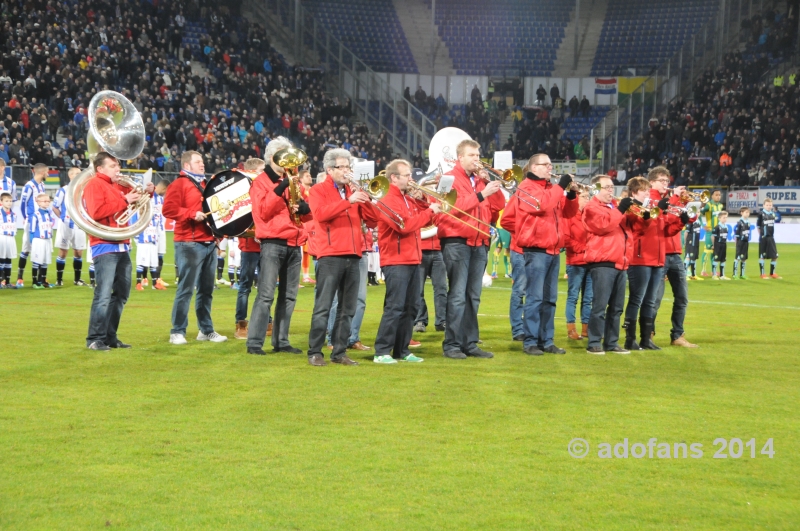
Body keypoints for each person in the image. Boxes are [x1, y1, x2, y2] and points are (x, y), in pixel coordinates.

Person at [306, 148, 379, 366]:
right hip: (330, 255)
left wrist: (366, 198)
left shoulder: (353, 191)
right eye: (342, 167)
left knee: (348, 308)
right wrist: (349, 201)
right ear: (330, 170)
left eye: (349, 167)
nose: (347, 171)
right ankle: (315, 351)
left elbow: (374, 221)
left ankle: (339, 352)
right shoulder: (318, 190)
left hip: (354, 254)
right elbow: (320, 214)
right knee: (324, 306)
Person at [437, 139, 505, 359]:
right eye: (473, 155)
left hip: (480, 243)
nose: (478, 159)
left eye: (478, 155)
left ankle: (470, 343)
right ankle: (452, 345)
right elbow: (445, 209)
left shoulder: (480, 180)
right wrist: (480, 195)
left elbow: (498, 207)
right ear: (460, 158)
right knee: (457, 295)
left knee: (473, 297)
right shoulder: (447, 179)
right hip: (457, 242)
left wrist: (489, 187)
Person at [245, 137, 312, 356]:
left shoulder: (294, 181)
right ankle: (254, 342)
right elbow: (263, 211)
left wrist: (304, 209)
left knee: (289, 296)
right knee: (265, 295)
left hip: (294, 243)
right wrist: (281, 186)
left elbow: (308, 215)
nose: (291, 162)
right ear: (274, 157)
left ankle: (281, 340)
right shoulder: (260, 182)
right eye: (285, 155)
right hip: (273, 242)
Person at [372, 159, 441, 364]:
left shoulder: (407, 199)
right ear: (394, 178)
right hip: (395, 259)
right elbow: (404, 226)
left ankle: (401, 350)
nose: (412, 179)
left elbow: (429, 220)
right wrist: (429, 210)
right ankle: (381, 350)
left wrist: (425, 203)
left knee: (412, 306)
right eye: (407, 175)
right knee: (395, 306)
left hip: (413, 257)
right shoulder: (387, 200)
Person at [84, 152, 153, 350]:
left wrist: (149, 190)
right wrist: (125, 200)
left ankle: (109, 337)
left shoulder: (117, 185)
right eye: (113, 166)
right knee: (104, 294)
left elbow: (139, 198)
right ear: (100, 169)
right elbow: (96, 212)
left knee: (121, 294)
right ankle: (95, 339)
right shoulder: (94, 184)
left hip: (122, 243)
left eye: (117, 165)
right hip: (104, 245)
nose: (118, 169)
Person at [515, 154, 578, 355]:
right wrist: (560, 187)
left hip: (553, 250)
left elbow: (568, 214)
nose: (550, 168)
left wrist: (572, 196)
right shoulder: (526, 187)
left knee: (550, 299)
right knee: (534, 298)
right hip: (536, 249)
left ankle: (547, 340)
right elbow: (543, 206)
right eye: (545, 165)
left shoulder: (551, 188)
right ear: (533, 167)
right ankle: (531, 341)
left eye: (551, 164)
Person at [163, 150, 227, 345]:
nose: (203, 164)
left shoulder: (204, 185)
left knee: (206, 290)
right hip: (188, 243)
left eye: (202, 161)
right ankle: (177, 331)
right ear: (187, 165)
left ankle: (205, 330)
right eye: (198, 162)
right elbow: (168, 209)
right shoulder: (179, 184)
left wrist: (217, 236)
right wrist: (191, 214)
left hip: (207, 242)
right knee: (186, 289)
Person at [621, 177, 683, 351]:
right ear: (634, 193)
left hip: (657, 260)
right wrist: (658, 209)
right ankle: (630, 339)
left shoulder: (652, 210)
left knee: (649, 301)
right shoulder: (632, 209)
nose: (648, 194)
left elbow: (666, 231)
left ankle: (646, 339)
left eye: (648, 191)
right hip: (640, 259)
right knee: (636, 299)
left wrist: (682, 221)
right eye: (643, 191)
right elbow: (640, 227)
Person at [582, 174, 637, 355]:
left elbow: (633, 231)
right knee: (600, 306)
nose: (610, 191)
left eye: (611, 187)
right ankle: (594, 342)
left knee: (616, 307)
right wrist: (620, 209)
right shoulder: (591, 208)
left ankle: (612, 342)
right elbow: (604, 226)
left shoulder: (614, 207)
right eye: (606, 187)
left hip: (620, 262)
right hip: (603, 262)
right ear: (596, 189)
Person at [649, 167, 697, 348]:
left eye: (667, 181)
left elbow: (680, 221)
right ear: (652, 181)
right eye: (662, 180)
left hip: (675, 253)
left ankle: (678, 335)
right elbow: (665, 218)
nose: (665, 184)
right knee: (655, 299)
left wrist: (690, 213)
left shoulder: (671, 199)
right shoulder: (652, 199)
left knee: (682, 298)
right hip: (658, 254)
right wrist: (675, 198)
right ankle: (649, 333)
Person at [413, 190, 447, 334]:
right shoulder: (411, 201)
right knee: (418, 290)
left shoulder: (435, 198)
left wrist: (426, 197)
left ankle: (442, 320)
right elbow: (420, 215)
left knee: (441, 288)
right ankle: (420, 320)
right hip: (420, 248)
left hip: (438, 249)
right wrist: (421, 199)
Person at [498, 185, 528, 342]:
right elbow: (506, 220)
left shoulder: (547, 195)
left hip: (541, 251)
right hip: (521, 249)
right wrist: (526, 231)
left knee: (536, 293)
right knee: (520, 290)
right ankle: (518, 329)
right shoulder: (519, 196)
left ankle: (531, 327)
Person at [563, 188, 593, 341]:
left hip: (590, 262)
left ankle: (586, 328)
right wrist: (584, 249)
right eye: (584, 196)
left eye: (588, 196)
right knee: (573, 296)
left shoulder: (588, 216)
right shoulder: (570, 216)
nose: (587, 199)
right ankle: (571, 328)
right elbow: (566, 239)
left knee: (588, 298)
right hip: (575, 262)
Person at [51, 167, 88, 286]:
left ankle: (77, 279)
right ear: (70, 176)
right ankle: (59, 279)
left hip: (80, 226)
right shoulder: (63, 190)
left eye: (80, 173)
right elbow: (55, 206)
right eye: (76, 173)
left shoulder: (84, 190)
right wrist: (62, 219)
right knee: (63, 252)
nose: (79, 175)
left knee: (78, 252)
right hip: (65, 225)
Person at [16, 163, 47, 287]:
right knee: (26, 249)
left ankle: (40, 279)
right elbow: (22, 204)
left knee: (40, 249)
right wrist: (26, 218)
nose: (48, 174)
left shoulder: (42, 185)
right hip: (31, 222)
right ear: (41, 172)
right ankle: (20, 277)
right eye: (47, 172)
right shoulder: (29, 186)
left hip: (40, 222)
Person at [29, 193, 55, 289]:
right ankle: (35, 282)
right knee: (37, 261)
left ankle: (43, 281)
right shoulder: (36, 214)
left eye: (48, 201)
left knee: (45, 261)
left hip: (47, 240)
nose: (47, 203)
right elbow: (31, 229)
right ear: (39, 202)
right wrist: (32, 240)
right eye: (45, 201)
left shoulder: (48, 213)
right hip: (39, 240)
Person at [699, 190, 723, 276]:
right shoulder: (709, 205)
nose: (718, 196)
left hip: (718, 231)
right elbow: (698, 214)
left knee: (714, 251)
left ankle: (713, 270)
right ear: (712, 196)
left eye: (719, 195)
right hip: (710, 231)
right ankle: (703, 270)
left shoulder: (720, 205)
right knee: (707, 251)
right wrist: (702, 225)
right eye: (716, 195)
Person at [757, 198, 780, 279]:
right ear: (763, 205)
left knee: (775, 256)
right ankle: (762, 274)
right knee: (762, 256)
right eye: (767, 205)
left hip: (771, 237)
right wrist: (761, 236)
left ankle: (772, 273)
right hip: (764, 238)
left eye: (770, 205)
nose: (769, 206)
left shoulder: (773, 214)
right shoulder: (761, 214)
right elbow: (758, 226)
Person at [0, 192, 17, 288]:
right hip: (2, 238)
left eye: (10, 201)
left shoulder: (14, 214)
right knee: (1, 260)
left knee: (8, 260)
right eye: (6, 201)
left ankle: (7, 282)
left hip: (11, 238)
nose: (9, 203)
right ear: (1, 202)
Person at [711, 211, 730, 280]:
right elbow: (713, 237)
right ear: (719, 218)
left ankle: (722, 275)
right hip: (718, 245)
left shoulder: (726, 227)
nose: (725, 219)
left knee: (723, 259)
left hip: (724, 244)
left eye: (726, 217)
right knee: (716, 259)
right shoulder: (717, 227)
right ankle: (714, 275)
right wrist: (714, 245)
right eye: (723, 218)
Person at [733, 207, 751, 279]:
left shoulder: (748, 222)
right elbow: (736, 234)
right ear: (741, 213)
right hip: (740, 242)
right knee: (737, 257)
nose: (747, 214)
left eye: (748, 212)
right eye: (746, 212)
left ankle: (742, 274)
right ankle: (734, 274)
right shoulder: (739, 222)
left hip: (746, 242)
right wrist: (736, 243)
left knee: (744, 258)